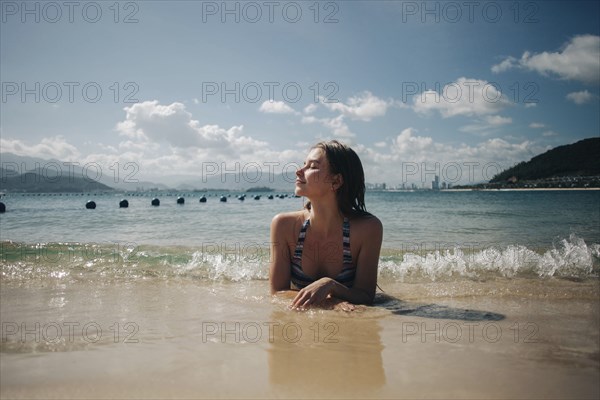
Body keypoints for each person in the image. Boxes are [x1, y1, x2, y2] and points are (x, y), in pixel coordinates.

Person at [269, 140, 383, 310]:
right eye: (303, 164)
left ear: (336, 181)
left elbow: (366, 296)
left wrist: (331, 285)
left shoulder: (367, 228)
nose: (299, 171)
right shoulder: (283, 225)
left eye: (312, 166)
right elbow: (277, 293)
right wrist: (331, 301)